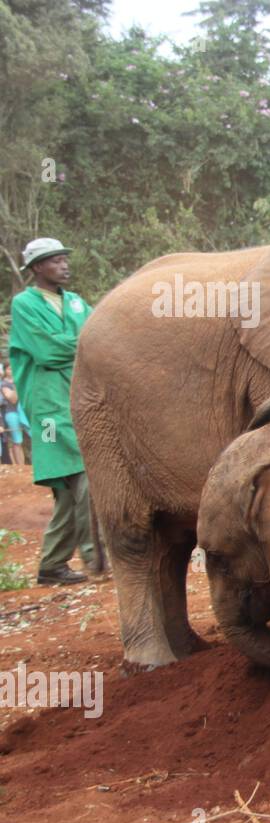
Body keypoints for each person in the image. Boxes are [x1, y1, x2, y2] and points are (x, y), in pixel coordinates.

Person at [7, 238, 97, 585]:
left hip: (76, 400)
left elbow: (99, 338)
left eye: (64, 259)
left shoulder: (75, 303)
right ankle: (97, 558)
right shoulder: (24, 304)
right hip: (46, 409)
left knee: (67, 488)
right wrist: (82, 343)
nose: (64, 265)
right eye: (55, 260)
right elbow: (46, 352)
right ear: (36, 268)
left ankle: (51, 565)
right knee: (85, 471)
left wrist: (81, 343)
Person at [0, 362, 29, 466]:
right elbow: (13, 399)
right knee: (17, 442)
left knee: (36, 438)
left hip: (25, 413)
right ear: (5, 371)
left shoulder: (22, 380)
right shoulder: (3, 384)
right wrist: (17, 384)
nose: (11, 371)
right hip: (11, 414)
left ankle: (26, 466)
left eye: (13, 369)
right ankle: (20, 467)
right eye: (9, 369)